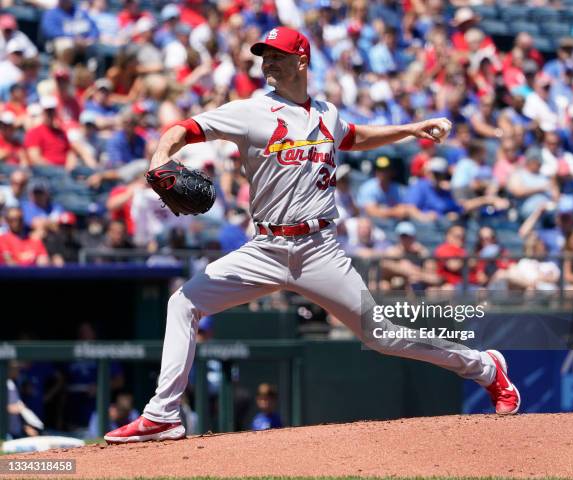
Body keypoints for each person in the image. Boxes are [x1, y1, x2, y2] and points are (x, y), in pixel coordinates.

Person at [104, 26, 520, 444]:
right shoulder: (250, 111)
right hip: (265, 248)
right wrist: (160, 157)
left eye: (277, 55)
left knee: (382, 335)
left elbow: (354, 137)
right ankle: (163, 415)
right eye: (264, 56)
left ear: (301, 60)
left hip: (320, 250)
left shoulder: (327, 113)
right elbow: (182, 130)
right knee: (183, 302)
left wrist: (410, 129)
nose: (267, 63)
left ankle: (484, 367)